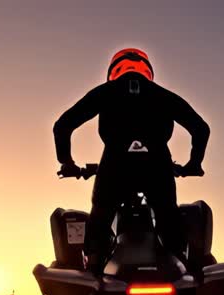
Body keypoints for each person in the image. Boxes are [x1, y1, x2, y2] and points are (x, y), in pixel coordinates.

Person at [53, 48, 210, 276]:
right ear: (147, 70)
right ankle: (182, 270)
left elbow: (62, 125)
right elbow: (201, 128)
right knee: (168, 216)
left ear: (114, 70)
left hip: (114, 167)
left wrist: (66, 163)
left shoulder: (105, 92)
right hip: (158, 168)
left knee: (101, 215)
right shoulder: (163, 95)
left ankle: (94, 272)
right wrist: (194, 164)